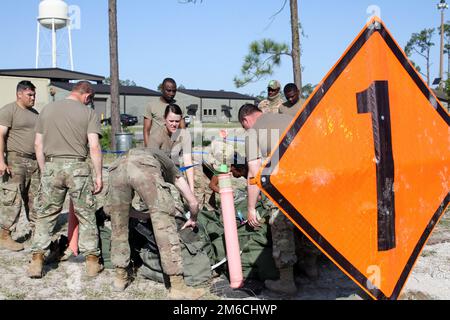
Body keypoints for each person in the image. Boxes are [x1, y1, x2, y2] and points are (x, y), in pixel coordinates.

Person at [104, 147, 206, 299]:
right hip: (143, 167)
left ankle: (120, 277)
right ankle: (177, 286)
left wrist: (144, 215)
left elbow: (110, 210)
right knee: (164, 224)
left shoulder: (131, 154)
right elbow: (188, 195)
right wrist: (193, 215)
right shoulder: (164, 159)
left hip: (116, 169)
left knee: (119, 225)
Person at [28, 81, 104, 279]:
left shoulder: (47, 110)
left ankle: (37, 260)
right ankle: (92, 263)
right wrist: (98, 175)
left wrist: (46, 170)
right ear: (87, 96)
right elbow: (94, 147)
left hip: (52, 166)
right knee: (86, 215)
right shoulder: (88, 113)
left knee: (46, 215)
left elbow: (38, 144)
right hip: (78, 168)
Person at [238, 103, 299, 295]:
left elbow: (254, 173)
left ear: (246, 120)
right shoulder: (287, 118)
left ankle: (287, 281)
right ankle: (311, 266)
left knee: (279, 223)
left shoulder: (252, 133)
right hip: (310, 177)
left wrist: (250, 207)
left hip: (285, 182)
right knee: (306, 222)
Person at [0, 81, 39, 251]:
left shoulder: (35, 113)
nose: (33, 98)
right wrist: (1, 160)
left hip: (34, 161)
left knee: (36, 198)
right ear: (19, 94)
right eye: (30, 95)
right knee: (12, 199)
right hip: (15, 160)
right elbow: (0, 135)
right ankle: (5, 235)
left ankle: (37, 233)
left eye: (34, 95)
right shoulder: (9, 110)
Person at [148, 104, 194, 192]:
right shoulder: (156, 136)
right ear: (164, 119)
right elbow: (151, 166)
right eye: (171, 121)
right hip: (156, 173)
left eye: (177, 121)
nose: (174, 124)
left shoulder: (185, 135)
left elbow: (188, 162)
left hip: (175, 172)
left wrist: (191, 190)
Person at [143, 78, 185, 147]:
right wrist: (149, 150)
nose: (171, 93)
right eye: (168, 90)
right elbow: (146, 130)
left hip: (173, 146)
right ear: (162, 89)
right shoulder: (151, 106)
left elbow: (182, 129)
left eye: (174, 91)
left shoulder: (180, 106)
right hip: (156, 145)